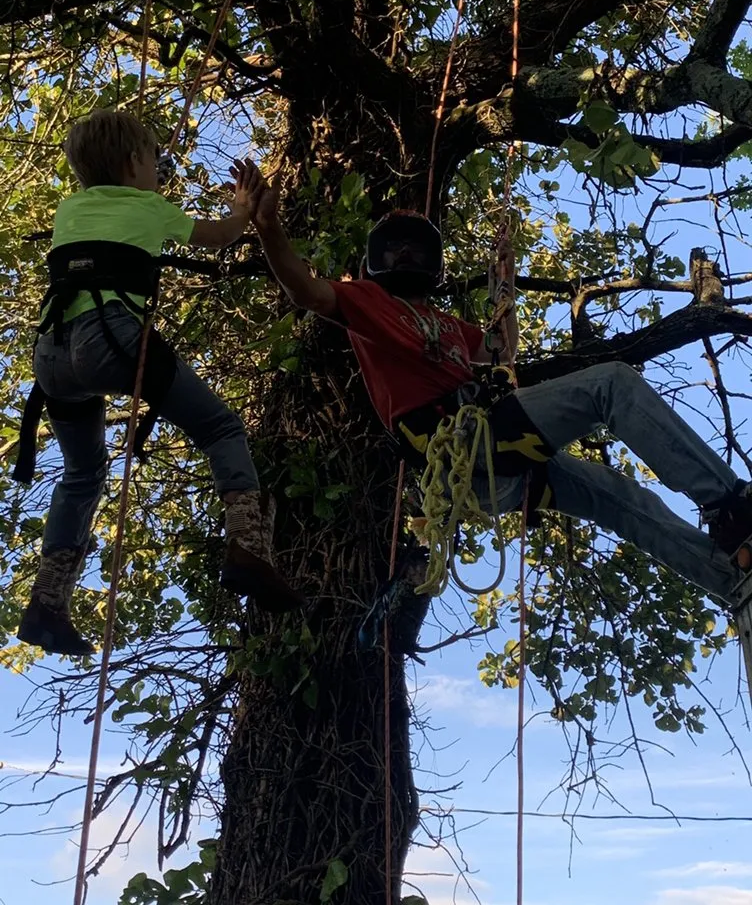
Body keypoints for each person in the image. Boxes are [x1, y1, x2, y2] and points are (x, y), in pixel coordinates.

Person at [246, 160, 752, 610]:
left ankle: (734, 581)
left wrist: (504, 282)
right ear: (376, 259)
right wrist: (268, 228)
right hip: (460, 443)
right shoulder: (364, 301)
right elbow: (306, 291)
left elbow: (500, 351)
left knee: (619, 497)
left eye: (414, 249)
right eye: (394, 249)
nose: (404, 256)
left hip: (496, 456)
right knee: (610, 385)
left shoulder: (446, 324)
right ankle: (730, 506)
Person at [16, 112, 301, 658]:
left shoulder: (70, 208)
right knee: (220, 426)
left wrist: (146, 171)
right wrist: (242, 208)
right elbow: (220, 237)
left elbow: (119, 209)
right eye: (150, 159)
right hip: (111, 339)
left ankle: (47, 601)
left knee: (82, 471)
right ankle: (248, 547)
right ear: (132, 164)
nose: (156, 170)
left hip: (51, 356)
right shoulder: (149, 207)